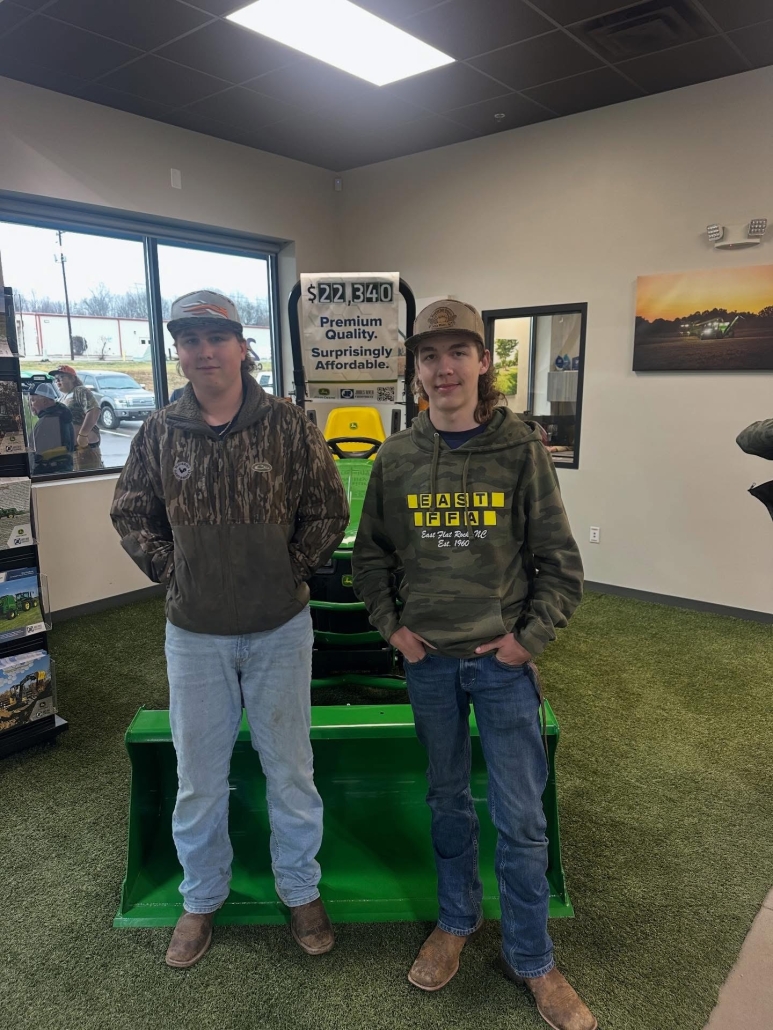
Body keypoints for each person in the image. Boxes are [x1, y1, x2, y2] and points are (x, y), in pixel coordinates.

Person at [352, 300, 595, 1030]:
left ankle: (533, 959)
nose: (444, 367)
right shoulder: (395, 457)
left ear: (483, 361)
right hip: (428, 665)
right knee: (447, 802)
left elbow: (560, 565)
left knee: (521, 820)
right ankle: (455, 923)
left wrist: (526, 641)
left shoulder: (519, 449)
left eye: (458, 351)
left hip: (501, 667)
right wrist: (393, 631)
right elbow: (370, 559)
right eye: (430, 355)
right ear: (415, 369)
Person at [111, 289, 349, 968]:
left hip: (280, 629)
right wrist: (172, 571)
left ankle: (300, 890)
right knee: (199, 778)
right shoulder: (161, 431)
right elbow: (130, 512)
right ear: (178, 352)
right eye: (188, 340)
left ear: (242, 345)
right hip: (194, 633)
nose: (203, 351)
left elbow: (328, 508)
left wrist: (289, 571)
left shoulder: (287, 425)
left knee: (291, 772)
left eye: (215, 337)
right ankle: (200, 897)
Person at [50, 364, 103, 471]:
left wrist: (83, 434)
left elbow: (94, 409)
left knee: (88, 481)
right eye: (56, 379)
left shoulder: (80, 391)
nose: (58, 381)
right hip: (70, 449)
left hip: (84, 447)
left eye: (62, 378)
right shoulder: (62, 398)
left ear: (72, 378)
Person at [27, 381, 75, 475]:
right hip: (62, 472)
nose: (30, 405)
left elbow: (38, 456)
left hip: (48, 475)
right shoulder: (61, 415)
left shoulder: (48, 421)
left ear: (44, 401)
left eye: (32, 400)